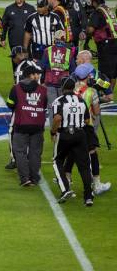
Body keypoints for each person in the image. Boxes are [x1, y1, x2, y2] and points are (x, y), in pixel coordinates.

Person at [69, 63, 111, 196]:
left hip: (70, 125)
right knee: (92, 154)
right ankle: (97, 185)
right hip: (86, 127)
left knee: (71, 154)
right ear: (88, 76)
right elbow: (97, 112)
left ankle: (66, 184)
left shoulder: (70, 88)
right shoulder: (91, 91)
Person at [51, 78, 94, 206]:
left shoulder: (58, 101)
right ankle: (88, 196)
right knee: (84, 166)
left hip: (64, 134)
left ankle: (65, 189)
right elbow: (87, 120)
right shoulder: (80, 100)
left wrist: (53, 132)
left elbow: (57, 118)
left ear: (62, 88)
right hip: (80, 134)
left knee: (57, 161)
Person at [6, 62, 47, 186]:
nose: (39, 76)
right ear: (31, 75)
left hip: (21, 124)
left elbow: (10, 104)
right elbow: (44, 105)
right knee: (35, 152)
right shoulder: (43, 90)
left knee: (19, 152)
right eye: (36, 74)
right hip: (38, 125)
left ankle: (25, 178)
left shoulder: (16, 88)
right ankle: (34, 177)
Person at [41, 30, 76, 117]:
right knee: (64, 106)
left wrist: (42, 81)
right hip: (64, 84)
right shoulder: (69, 52)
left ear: (55, 39)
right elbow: (73, 70)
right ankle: (63, 127)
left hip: (50, 83)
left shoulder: (47, 51)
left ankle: (53, 128)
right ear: (64, 39)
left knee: (51, 107)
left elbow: (42, 67)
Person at [86, 0, 117, 88]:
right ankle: (110, 93)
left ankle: (106, 93)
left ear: (94, 2)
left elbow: (91, 29)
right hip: (115, 42)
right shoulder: (108, 10)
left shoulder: (97, 12)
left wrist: (85, 31)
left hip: (106, 45)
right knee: (113, 71)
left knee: (104, 72)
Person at [1, 0, 36, 66]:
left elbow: (36, 24)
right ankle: (16, 77)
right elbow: (4, 25)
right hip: (14, 40)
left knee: (28, 60)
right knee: (15, 60)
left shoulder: (31, 9)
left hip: (28, 40)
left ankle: (26, 76)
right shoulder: (9, 9)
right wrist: (3, 39)